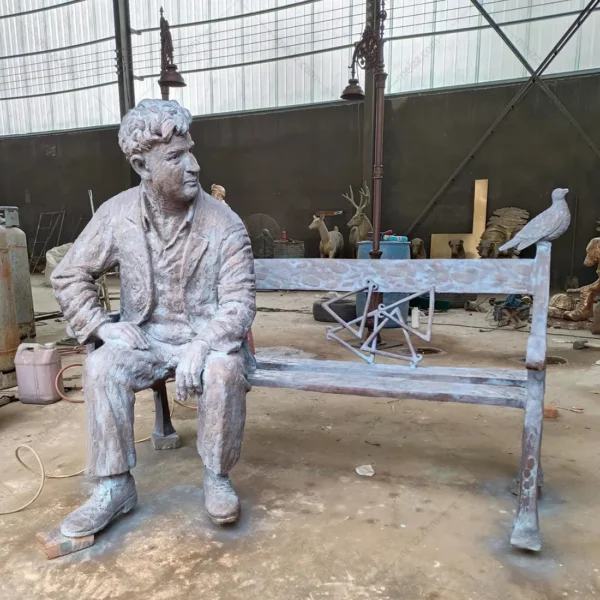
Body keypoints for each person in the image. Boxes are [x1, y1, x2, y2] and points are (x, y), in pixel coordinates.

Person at [51, 99, 256, 538]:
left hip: (206, 340)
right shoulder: (117, 214)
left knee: (223, 368)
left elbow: (239, 304)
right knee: (103, 363)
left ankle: (217, 476)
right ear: (143, 166)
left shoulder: (225, 223)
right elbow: (69, 273)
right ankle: (114, 486)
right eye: (176, 157)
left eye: (191, 151)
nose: (194, 165)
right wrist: (102, 326)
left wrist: (202, 345)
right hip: (147, 337)